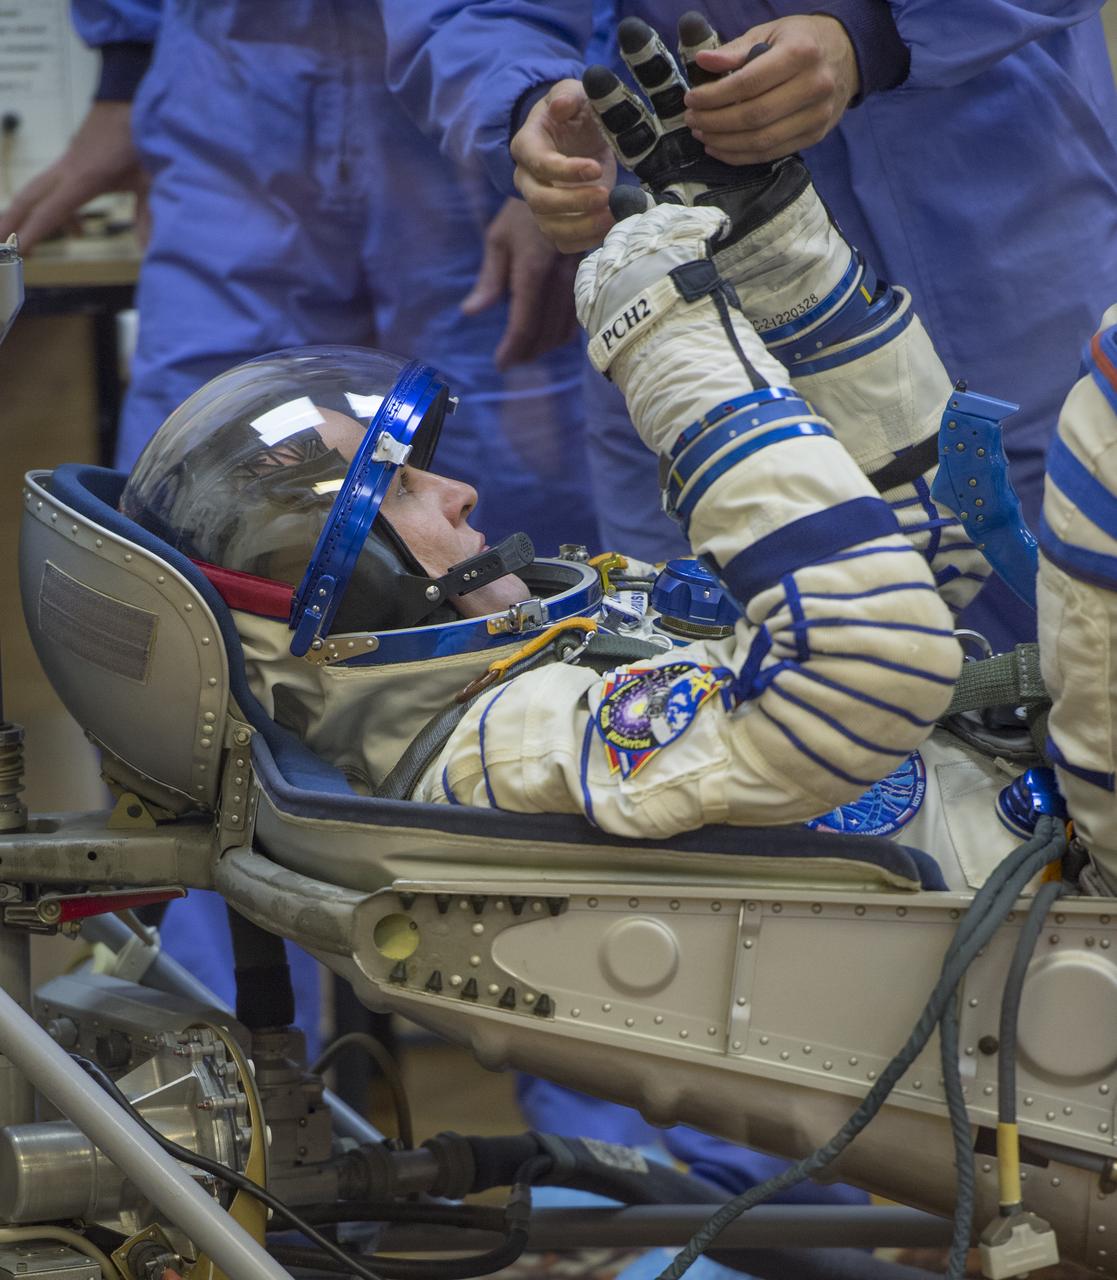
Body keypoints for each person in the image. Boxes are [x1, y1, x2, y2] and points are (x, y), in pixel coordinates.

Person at [378, 0, 1117, 652]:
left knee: (1076, 642)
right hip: (674, 222)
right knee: (697, 664)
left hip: (1005, 233)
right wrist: (529, 98)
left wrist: (873, 34)